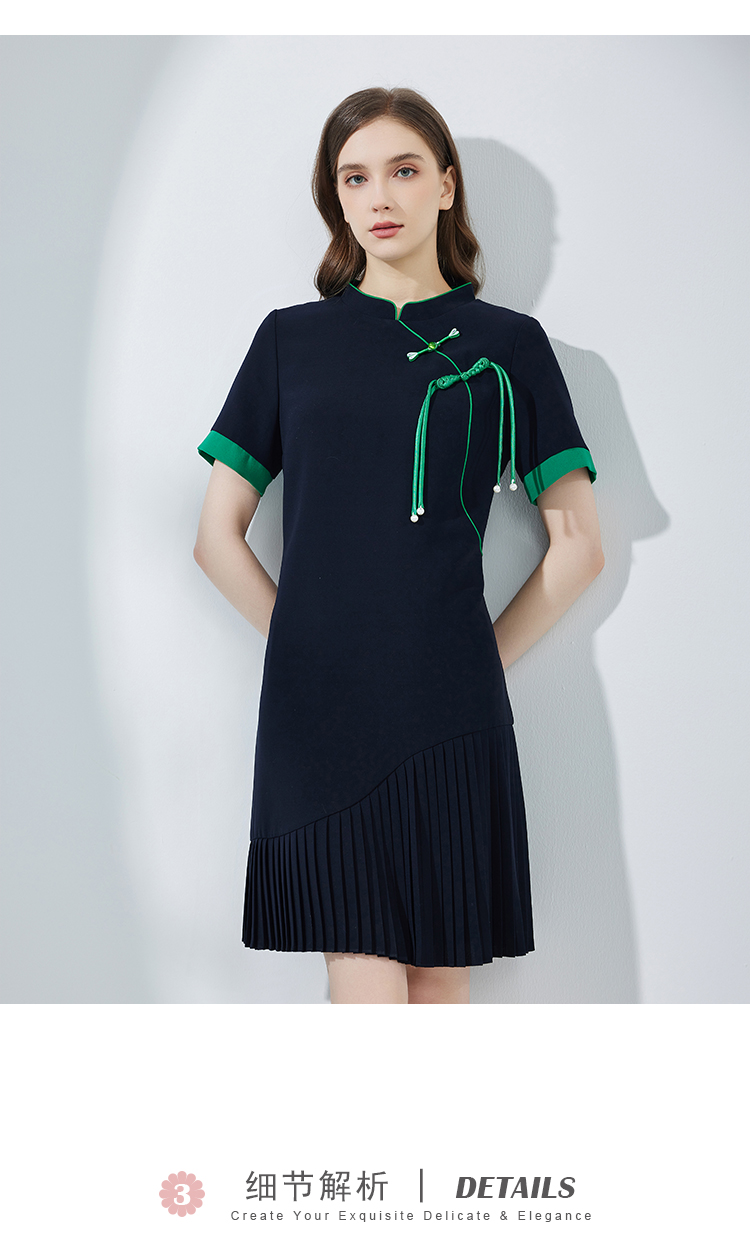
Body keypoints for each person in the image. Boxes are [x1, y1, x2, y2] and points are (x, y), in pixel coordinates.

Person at [193, 86, 604, 1006]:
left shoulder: (511, 346)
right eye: (354, 177)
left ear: (446, 186)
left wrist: (471, 660)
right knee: (366, 982)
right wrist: (309, 651)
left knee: (439, 986)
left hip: (449, 712)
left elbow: (579, 544)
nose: (378, 196)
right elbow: (216, 538)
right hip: (321, 717)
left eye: (404, 170)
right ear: (335, 199)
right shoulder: (289, 342)